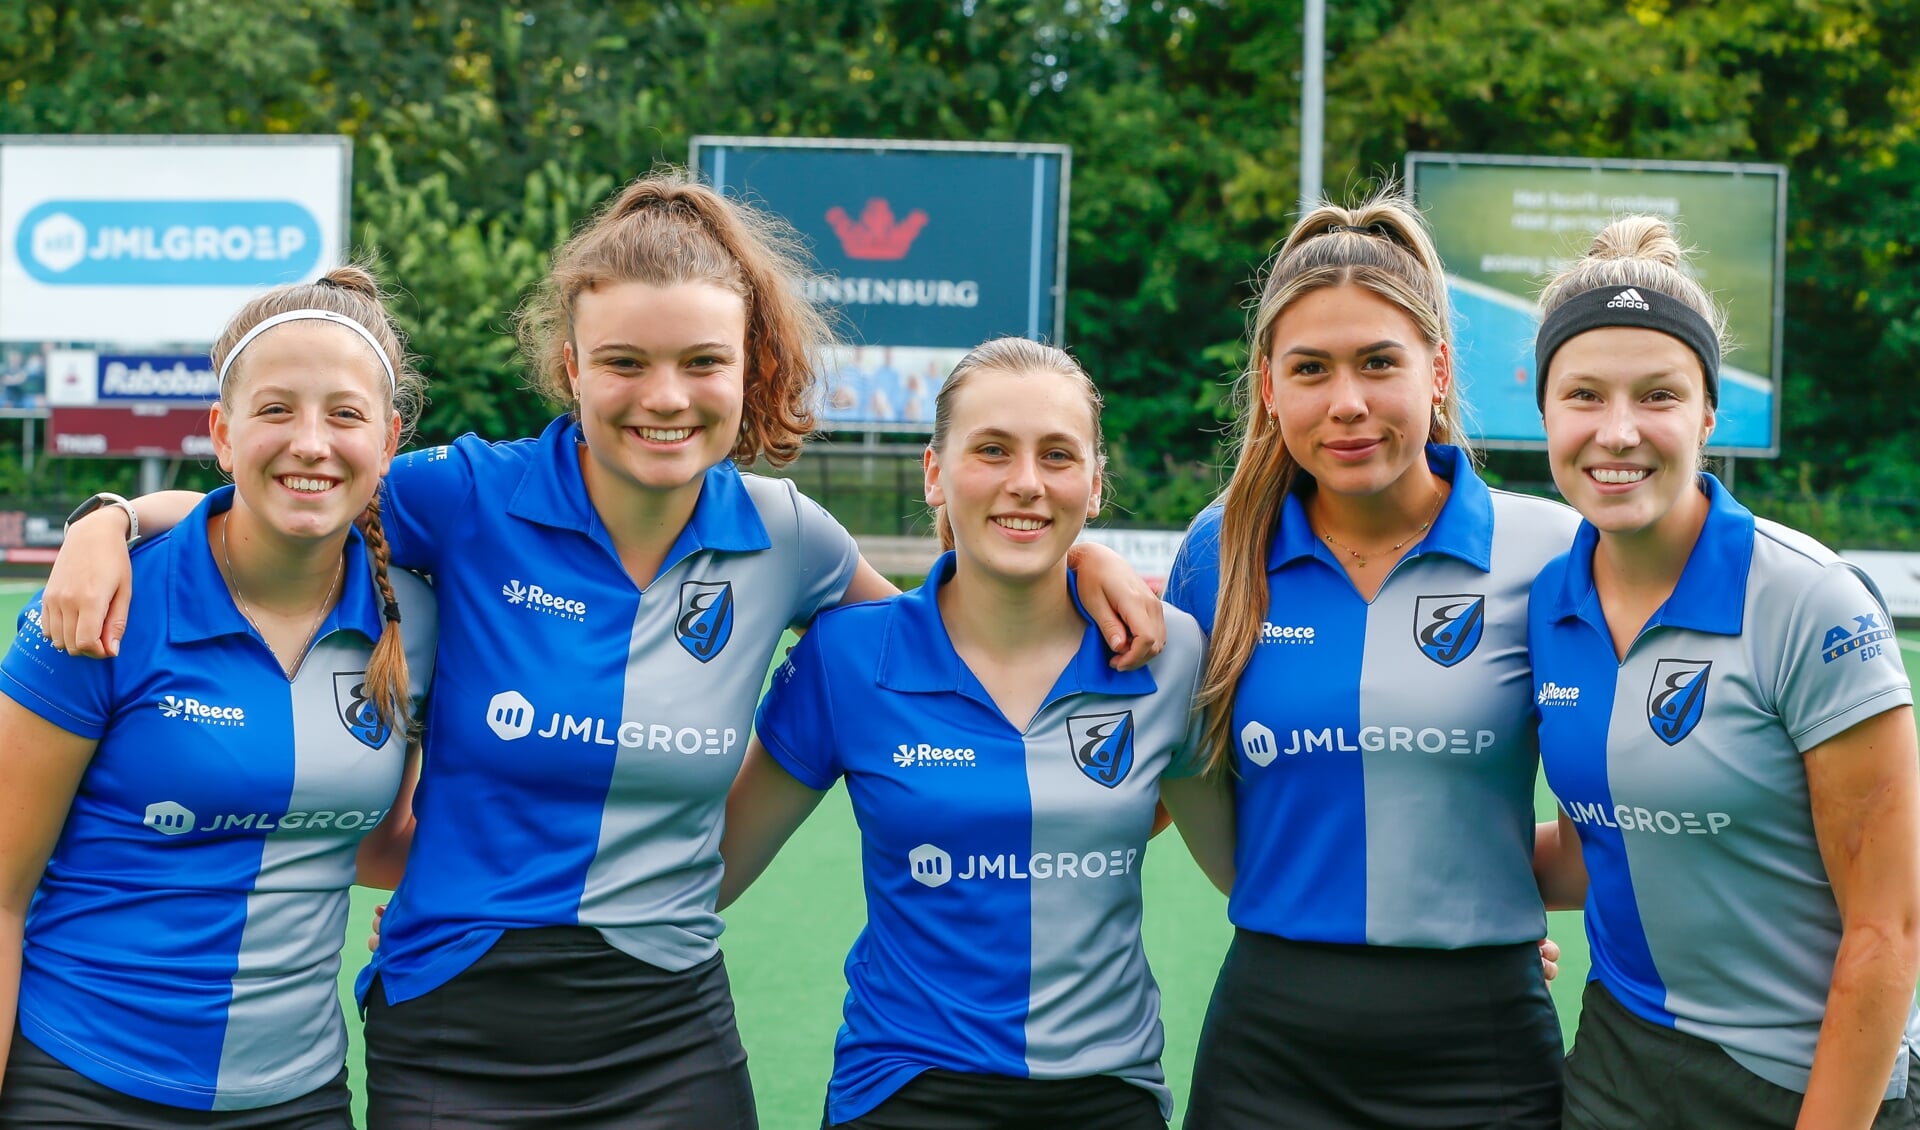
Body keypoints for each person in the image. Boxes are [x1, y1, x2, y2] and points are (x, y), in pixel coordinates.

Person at [42, 171, 1164, 1129]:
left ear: (745, 366)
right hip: (457, 1019)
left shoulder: (786, 538)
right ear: (571, 366)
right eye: (625, 362)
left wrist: (1081, 564)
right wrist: (113, 516)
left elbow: (941, 629)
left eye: (701, 364)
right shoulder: (465, 497)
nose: (664, 398)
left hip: (670, 1027)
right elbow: (289, 489)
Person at [716, 337, 1234, 1130]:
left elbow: (1248, 871)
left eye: (1057, 456)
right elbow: (707, 871)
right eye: (992, 449)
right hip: (902, 1091)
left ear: (1095, 485)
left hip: (1107, 1096)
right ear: (935, 471)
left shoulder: (1168, 656)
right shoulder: (849, 657)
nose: (1025, 482)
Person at [1165, 192, 1577, 1129]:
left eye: (1379, 363)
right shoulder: (1218, 552)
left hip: (1486, 1042)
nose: (1346, 403)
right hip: (1271, 1039)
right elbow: (1182, 781)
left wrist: (1474, 885)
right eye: (1311, 369)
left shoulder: (1552, 551)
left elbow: (1625, 795)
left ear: (1436, 371)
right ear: (1269, 387)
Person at [0, 267, 438, 1127]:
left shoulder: (416, 620)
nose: (311, 442)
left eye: (343, 415)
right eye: (276, 410)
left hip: (299, 1094)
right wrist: (110, 517)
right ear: (222, 433)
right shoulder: (106, 605)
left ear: (387, 442)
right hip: (82, 1082)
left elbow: (379, 848)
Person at [1527, 217, 1920, 1130]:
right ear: (1542, 407)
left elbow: (1887, 933)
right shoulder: (1546, 601)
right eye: (1583, 394)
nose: (1616, 432)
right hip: (1620, 1065)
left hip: (1811, 1076)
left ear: (1708, 412)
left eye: (1656, 396)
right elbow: (1598, 849)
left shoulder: (1810, 600)